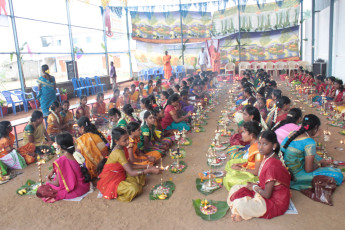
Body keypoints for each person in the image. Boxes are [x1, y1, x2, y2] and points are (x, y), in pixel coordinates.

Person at [228, 130, 291, 221]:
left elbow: (267, 195)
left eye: (265, 144)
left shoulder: (272, 165)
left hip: (275, 202)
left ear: (274, 146)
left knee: (239, 203)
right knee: (235, 188)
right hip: (263, 190)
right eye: (259, 143)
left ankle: (239, 211)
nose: (260, 147)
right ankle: (239, 211)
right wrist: (255, 185)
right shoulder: (267, 156)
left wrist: (254, 187)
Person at [97, 127, 162, 201]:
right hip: (112, 179)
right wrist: (149, 170)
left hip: (121, 173)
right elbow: (131, 172)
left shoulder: (123, 147)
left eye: (128, 139)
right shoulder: (118, 152)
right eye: (125, 140)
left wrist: (147, 166)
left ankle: (130, 184)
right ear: (116, 141)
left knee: (140, 175)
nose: (128, 142)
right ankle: (119, 194)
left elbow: (130, 164)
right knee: (134, 189)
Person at [281, 114, 343, 190]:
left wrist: (320, 160)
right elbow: (308, 169)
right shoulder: (309, 142)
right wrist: (319, 164)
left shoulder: (293, 133)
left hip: (285, 172)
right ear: (316, 128)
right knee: (338, 174)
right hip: (296, 177)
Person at [36, 133, 90, 203]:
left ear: (59, 146)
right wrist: (53, 170)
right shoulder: (78, 152)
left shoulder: (61, 161)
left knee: (43, 189)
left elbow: (57, 183)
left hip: (76, 189)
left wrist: (48, 181)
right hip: (85, 185)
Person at [223, 121, 263, 191]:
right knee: (231, 163)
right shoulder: (253, 145)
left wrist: (240, 168)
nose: (241, 134)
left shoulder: (258, 151)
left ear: (252, 135)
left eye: (244, 132)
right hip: (250, 167)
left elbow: (256, 172)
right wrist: (241, 164)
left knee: (229, 179)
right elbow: (251, 162)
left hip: (255, 176)